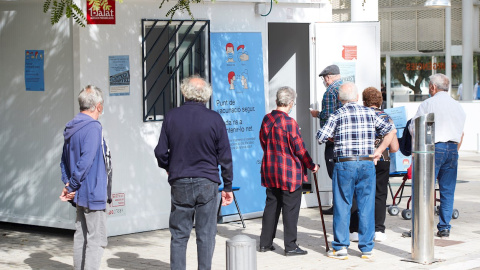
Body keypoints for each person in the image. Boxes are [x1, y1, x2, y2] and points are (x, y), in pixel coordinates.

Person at [154, 76, 234, 270]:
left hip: (180, 180)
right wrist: (228, 185)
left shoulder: (172, 116)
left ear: (184, 92)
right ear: (206, 94)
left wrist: (169, 167)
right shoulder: (215, 119)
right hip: (207, 181)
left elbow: (160, 152)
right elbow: (225, 155)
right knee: (206, 234)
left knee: (179, 235)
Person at [316, 82, 396, 260]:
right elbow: (391, 130)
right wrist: (379, 151)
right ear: (357, 97)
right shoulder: (369, 112)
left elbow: (321, 137)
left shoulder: (337, 114)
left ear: (339, 99)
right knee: (367, 204)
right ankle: (366, 248)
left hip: (345, 163)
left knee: (343, 204)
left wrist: (335, 136)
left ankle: (341, 248)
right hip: (367, 163)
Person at [259, 86, 319, 257]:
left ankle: (265, 243)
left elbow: (263, 142)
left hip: (271, 169)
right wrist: (312, 165)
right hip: (289, 172)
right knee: (290, 210)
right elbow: (299, 149)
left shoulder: (266, 119)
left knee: (271, 206)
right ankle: (290, 246)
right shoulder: (289, 123)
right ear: (290, 103)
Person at [409, 73, 466, 238]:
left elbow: (415, 127)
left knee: (424, 188)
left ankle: (422, 227)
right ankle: (444, 227)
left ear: (433, 87)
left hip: (434, 148)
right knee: (447, 190)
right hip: (452, 149)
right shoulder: (457, 106)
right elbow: (461, 132)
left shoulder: (428, 104)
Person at [60, 85, 109, 270]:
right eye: (102, 104)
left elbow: (63, 162)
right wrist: (71, 186)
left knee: (81, 236)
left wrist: (68, 184)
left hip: (80, 194)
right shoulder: (93, 127)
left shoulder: (71, 126)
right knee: (96, 240)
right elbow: (85, 162)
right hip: (93, 192)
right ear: (98, 106)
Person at [349, 87, 399, 243]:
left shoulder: (360, 115)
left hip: (362, 159)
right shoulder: (387, 118)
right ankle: (378, 229)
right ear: (381, 101)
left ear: (363, 102)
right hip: (382, 160)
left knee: (357, 193)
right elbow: (395, 147)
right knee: (379, 194)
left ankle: (355, 230)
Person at [310, 64, 343, 214]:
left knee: (334, 173)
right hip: (344, 138)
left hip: (332, 139)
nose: (325, 81)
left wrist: (317, 114)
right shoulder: (346, 87)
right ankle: (344, 204)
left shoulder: (330, 91)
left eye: (324, 78)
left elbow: (330, 116)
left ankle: (338, 206)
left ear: (328, 77)